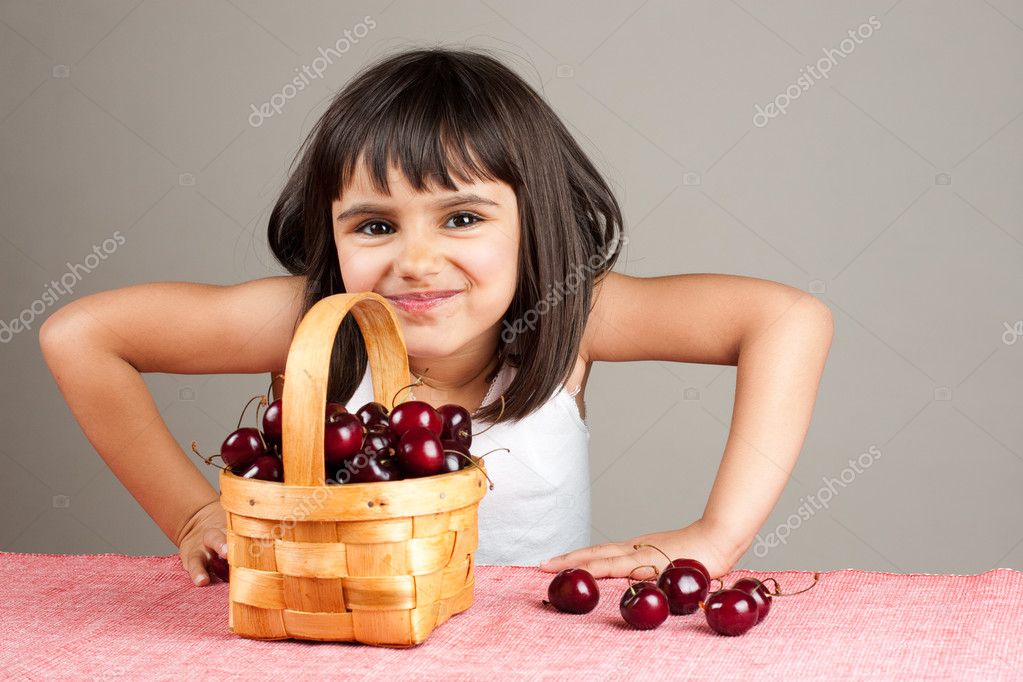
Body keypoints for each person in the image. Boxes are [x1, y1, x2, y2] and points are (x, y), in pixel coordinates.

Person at [39, 47, 834, 588]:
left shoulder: (572, 318)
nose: (415, 261)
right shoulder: (310, 321)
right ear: (333, 233)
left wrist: (717, 535)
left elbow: (787, 319)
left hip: (531, 652)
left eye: (461, 219)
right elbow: (79, 336)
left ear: (535, 221)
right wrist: (194, 513)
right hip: (341, 647)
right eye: (375, 226)